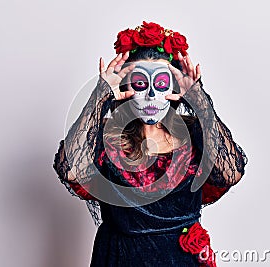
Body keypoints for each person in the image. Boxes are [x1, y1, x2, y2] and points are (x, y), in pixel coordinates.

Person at [53, 21, 248, 267]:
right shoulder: (106, 136)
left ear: (174, 88)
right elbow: (71, 170)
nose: (152, 95)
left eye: (161, 84)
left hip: (181, 259)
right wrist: (100, 95)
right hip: (120, 257)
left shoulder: (194, 131)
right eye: (141, 84)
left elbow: (231, 173)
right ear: (125, 87)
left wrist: (199, 99)